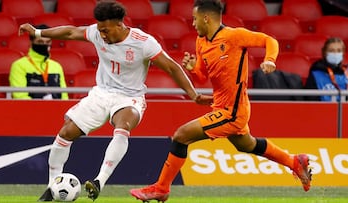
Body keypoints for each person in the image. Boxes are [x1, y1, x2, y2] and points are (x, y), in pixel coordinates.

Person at [18, 1, 212, 202]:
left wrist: (193, 94)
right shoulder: (96, 32)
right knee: (65, 133)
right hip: (101, 94)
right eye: (100, 30)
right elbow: (70, 32)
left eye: (106, 30)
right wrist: (38, 33)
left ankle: (99, 181)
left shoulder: (143, 42)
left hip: (130, 97)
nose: (102, 35)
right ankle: (51, 187)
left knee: (123, 125)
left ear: (119, 25)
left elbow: (171, 67)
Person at [130, 0, 312, 202]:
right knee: (247, 145)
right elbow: (201, 77)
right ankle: (295, 161)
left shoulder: (234, 36)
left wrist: (270, 59)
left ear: (206, 18)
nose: (192, 24)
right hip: (222, 106)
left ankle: (162, 188)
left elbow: (270, 40)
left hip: (233, 111)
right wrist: (193, 69)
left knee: (181, 135)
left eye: (195, 19)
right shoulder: (201, 42)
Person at [9, 24, 68, 100]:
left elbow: (64, 96)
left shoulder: (56, 66)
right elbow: (20, 96)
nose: (44, 45)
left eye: (48, 42)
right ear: (31, 42)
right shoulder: (19, 65)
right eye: (40, 42)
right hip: (29, 110)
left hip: (56, 110)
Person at [304, 37, 347, 101]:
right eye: (331, 51)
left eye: (339, 50)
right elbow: (310, 100)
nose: (335, 54)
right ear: (324, 52)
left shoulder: (346, 73)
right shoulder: (315, 73)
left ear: (343, 53)